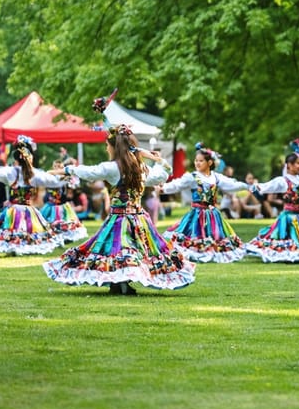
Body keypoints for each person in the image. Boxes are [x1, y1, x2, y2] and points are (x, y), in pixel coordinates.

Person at [44, 124, 195, 295]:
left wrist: (66, 170)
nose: (106, 149)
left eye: (107, 145)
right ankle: (120, 282)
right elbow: (164, 173)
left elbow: (90, 172)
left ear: (115, 147)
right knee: (135, 250)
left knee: (119, 249)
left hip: (119, 218)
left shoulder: (113, 167)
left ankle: (121, 282)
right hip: (139, 219)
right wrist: (156, 159)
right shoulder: (142, 168)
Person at [0, 136, 62, 256]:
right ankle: (16, 247)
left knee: (7, 229)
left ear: (16, 159)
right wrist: (64, 176)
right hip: (28, 209)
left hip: (13, 210)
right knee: (27, 230)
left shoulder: (10, 171)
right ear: (29, 159)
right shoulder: (34, 173)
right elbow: (54, 181)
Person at [160, 143, 250, 263]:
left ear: (210, 163)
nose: (197, 163)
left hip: (212, 213)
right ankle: (196, 251)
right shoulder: (192, 177)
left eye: (201, 161)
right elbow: (178, 184)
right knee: (194, 234)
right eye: (196, 160)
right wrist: (164, 188)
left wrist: (246, 186)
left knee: (215, 235)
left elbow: (231, 184)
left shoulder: (216, 177)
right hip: (196, 214)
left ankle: (210, 249)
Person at [245, 140, 299, 263]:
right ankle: (287, 254)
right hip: (288, 218)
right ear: (289, 165)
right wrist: (255, 186)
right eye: (297, 163)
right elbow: (267, 186)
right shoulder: (283, 181)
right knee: (286, 238)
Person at [40, 160, 89, 244]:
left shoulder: (66, 178)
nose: (57, 168)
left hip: (62, 205)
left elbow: (74, 184)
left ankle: (64, 237)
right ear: (53, 167)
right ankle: (52, 237)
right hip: (51, 205)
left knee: (64, 222)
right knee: (48, 222)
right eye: (55, 166)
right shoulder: (50, 177)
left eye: (60, 167)